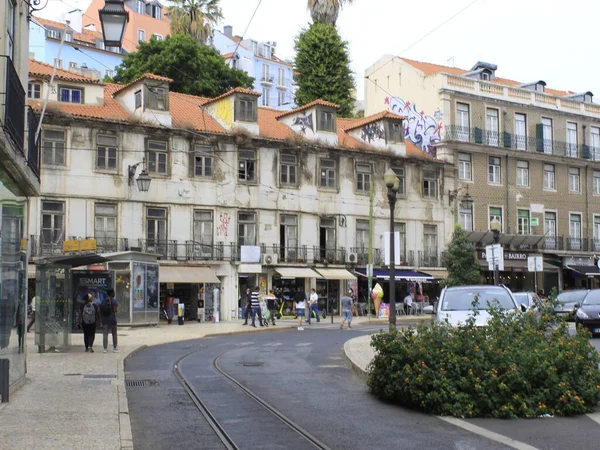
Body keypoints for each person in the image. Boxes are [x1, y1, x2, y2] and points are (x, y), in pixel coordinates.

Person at [100, 288, 119, 353]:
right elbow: (115, 310)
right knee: (114, 334)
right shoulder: (114, 301)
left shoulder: (103, 301)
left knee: (105, 334)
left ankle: (105, 348)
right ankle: (115, 348)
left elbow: (101, 310)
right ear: (112, 293)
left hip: (105, 320)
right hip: (112, 319)